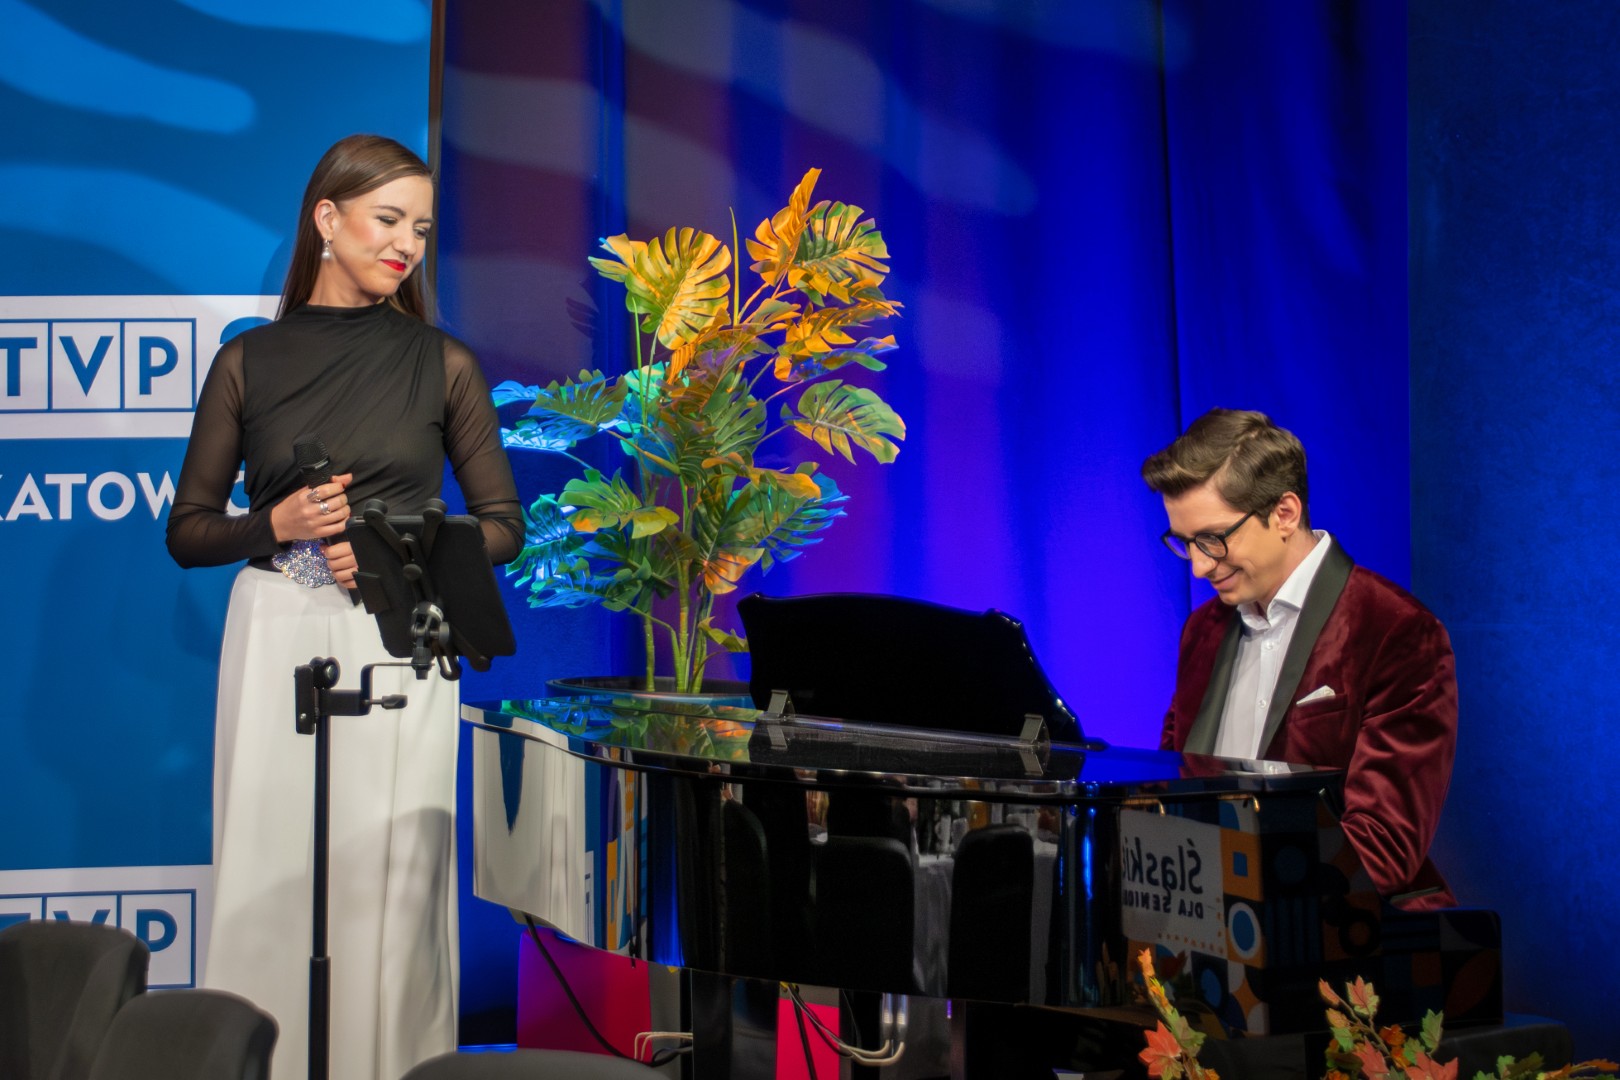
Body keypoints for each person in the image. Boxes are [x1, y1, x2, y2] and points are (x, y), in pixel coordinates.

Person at [166, 134, 523, 1080]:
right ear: (327, 219)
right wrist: (274, 523)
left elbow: (503, 525)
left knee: (389, 880)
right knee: (268, 865)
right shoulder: (247, 361)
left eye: (422, 229)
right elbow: (188, 531)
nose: (407, 244)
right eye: (388, 220)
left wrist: (400, 551)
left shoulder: (443, 363)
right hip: (277, 626)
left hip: (403, 634)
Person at [1141, 408, 1457, 910]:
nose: (1198, 566)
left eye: (1213, 539)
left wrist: (1237, 891)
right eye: (1185, 543)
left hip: (1349, 932)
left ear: (1285, 513)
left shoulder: (1395, 629)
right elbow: (1172, 789)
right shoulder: (1201, 631)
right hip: (1217, 927)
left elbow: (1384, 845)